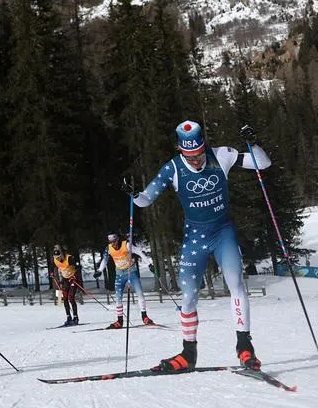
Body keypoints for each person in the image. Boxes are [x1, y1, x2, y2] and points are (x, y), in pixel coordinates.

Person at [126, 120, 271, 372]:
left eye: (199, 154)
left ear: (204, 146)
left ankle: (245, 348)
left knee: (235, 283)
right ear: (182, 151)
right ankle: (188, 354)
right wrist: (133, 195)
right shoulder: (172, 168)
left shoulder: (221, 155)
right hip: (195, 239)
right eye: (190, 156)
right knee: (189, 295)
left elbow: (263, 163)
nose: (196, 161)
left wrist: (253, 142)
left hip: (223, 233)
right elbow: (146, 199)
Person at [95, 230, 156, 328]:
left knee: (140, 293)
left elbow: (140, 252)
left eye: (114, 241)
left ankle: (144, 317)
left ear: (117, 239)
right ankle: (120, 321)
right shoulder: (109, 249)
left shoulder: (126, 245)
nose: (112, 244)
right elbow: (104, 260)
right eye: (110, 242)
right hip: (119, 274)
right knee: (118, 297)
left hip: (131, 272)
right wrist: (99, 270)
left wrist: (149, 264)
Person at [51, 244, 81, 326]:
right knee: (64, 298)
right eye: (56, 257)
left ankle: (75, 318)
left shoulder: (69, 258)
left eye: (59, 257)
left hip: (73, 278)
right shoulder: (55, 260)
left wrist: (74, 277)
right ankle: (68, 317)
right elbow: (52, 266)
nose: (58, 259)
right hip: (65, 279)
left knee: (71, 297)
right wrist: (52, 273)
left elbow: (78, 267)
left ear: (62, 254)